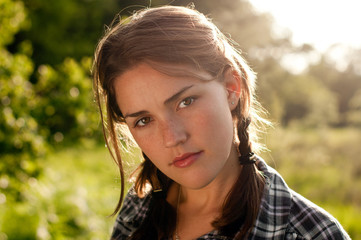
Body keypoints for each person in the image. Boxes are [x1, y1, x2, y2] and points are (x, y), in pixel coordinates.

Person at [92, 5, 350, 240]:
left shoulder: (311, 234)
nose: (172, 138)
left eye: (186, 102)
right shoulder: (139, 207)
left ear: (231, 88)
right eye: (144, 120)